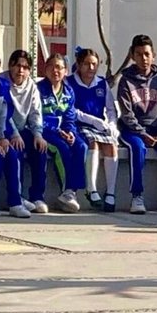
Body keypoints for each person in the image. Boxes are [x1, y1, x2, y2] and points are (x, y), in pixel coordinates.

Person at [114, 34, 157, 215]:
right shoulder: (126, 82)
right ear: (133, 56)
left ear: (153, 55)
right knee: (138, 148)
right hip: (132, 132)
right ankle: (137, 196)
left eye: (147, 54)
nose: (143, 58)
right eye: (139, 54)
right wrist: (143, 134)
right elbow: (127, 115)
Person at [32, 52, 88, 212]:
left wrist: (69, 131)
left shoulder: (68, 91)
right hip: (45, 132)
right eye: (51, 67)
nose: (55, 71)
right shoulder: (39, 89)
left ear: (66, 71)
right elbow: (36, 115)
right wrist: (57, 131)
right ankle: (61, 190)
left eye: (59, 67)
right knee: (61, 148)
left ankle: (71, 192)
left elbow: (70, 116)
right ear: (45, 69)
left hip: (62, 131)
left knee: (81, 146)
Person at [70, 47, 120, 211]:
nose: (90, 68)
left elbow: (111, 109)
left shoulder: (101, 83)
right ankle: (91, 189)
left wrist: (112, 124)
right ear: (78, 64)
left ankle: (111, 193)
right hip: (81, 125)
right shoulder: (69, 82)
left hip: (100, 125)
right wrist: (93, 121)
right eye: (86, 64)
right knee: (93, 143)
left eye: (94, 64)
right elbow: (71, 110)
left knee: (111, 146)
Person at [0, 49, 30, 218]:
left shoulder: (2, 86)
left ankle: (15, 202)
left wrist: (5, 136)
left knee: (12, 154)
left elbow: (4, 114)